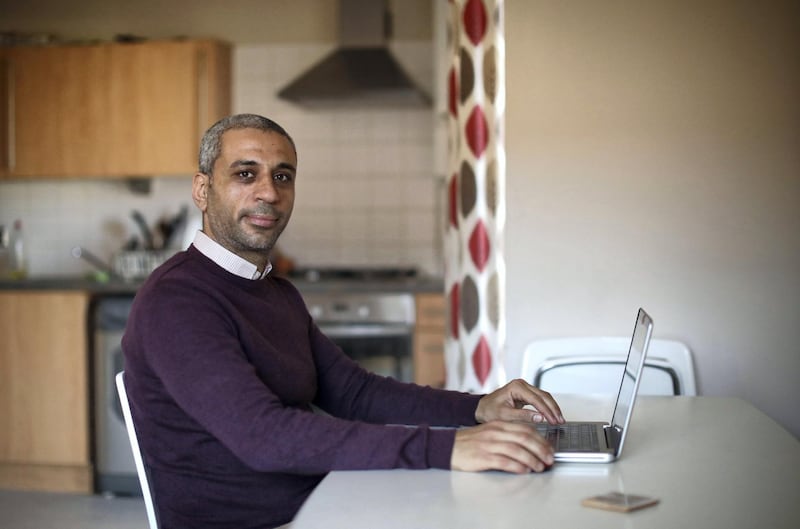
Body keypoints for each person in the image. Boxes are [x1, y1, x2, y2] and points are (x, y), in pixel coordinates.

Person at [122, 113, 565, 529]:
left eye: (282, 176)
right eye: (245, 173)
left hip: (321, 497)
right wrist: (448, 448)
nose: (269, 192)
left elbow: (355, 392)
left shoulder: (276, 291)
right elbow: (263, 436)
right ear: (202, 189)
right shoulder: (177, 299)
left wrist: (475, 408)